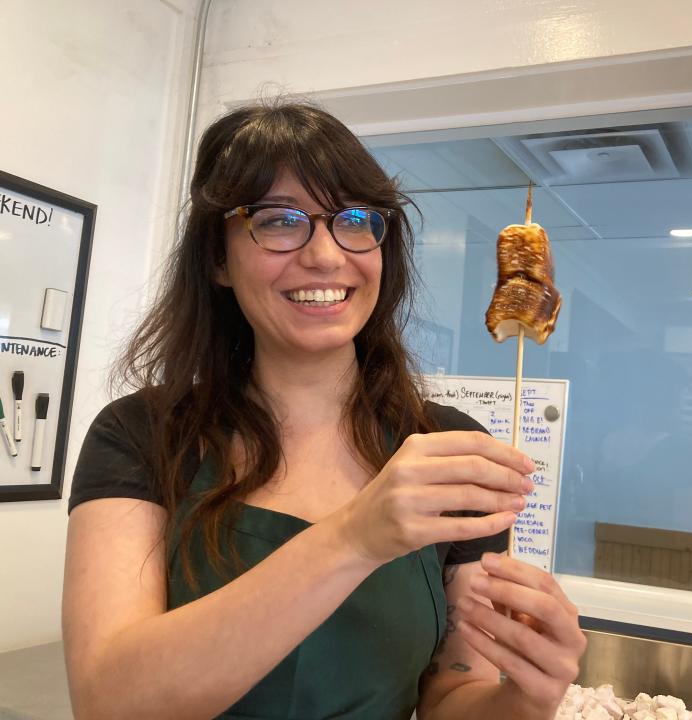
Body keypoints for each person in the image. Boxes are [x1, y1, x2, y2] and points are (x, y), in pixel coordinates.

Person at [62, 102, 585, 720]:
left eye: (356, 219)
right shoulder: (141, 435)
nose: (327, 256)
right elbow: (110, 701)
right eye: (280, 220)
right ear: (218, 259)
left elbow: (451, 696)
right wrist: (354, 537)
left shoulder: (446, 448)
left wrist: (523, 697)